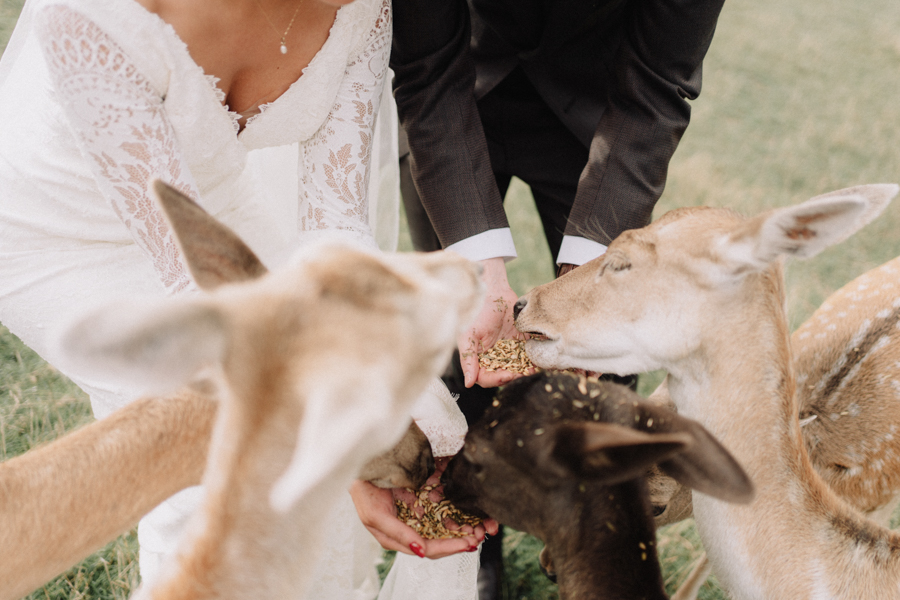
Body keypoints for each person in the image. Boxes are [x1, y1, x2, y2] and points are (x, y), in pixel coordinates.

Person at [0, 1, 492, 598]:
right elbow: (192, 290)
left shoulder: (366, 6)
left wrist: (368, 434)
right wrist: (343, 425)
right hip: (60, 231)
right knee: (205, 468)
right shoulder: (92, 15)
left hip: (214, 203)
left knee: (324, 483)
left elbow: (332, 225)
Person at [390, 0, 728, 596]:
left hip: (603, 120)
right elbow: (426, 68)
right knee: (456, 344)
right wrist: (479, 270)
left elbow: (659, 81)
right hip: (454, 101)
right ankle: (474, 542)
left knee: (599, 358)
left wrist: (584, 287)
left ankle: (591, 539)